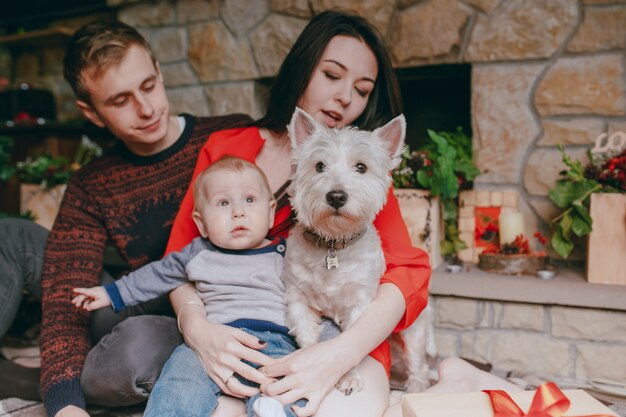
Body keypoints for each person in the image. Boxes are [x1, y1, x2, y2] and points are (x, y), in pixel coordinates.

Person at [164, 10, 431, 417]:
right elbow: (178, 258)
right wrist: (197, 329)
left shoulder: (363, 176)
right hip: (236, 326)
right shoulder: (225, 148)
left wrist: (339, 354)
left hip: (342, 334)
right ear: (302, 67)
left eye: (361, 90)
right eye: (332, 75)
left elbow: (407, 274)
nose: (346, 97)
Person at [35, 20, 254, 417]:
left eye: (149, 85)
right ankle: (56, 381)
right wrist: (65, 406)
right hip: (142, 306)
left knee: (136, 351)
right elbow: (66, 294)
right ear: (92, 112)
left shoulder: (230, 136)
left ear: (159, 70)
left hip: (221, 314)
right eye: (120, 101)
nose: (147, 109)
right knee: (14, 238)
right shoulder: (92, 183)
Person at [71, 156, 303, 417]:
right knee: (179, 380)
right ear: (201, 222)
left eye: (249, 200)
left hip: (273, 342)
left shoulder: (285, 255)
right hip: (207, 343)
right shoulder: (197, 254)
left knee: (289, 387)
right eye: (223, 203)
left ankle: (272, 409)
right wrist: (111, 293)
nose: (238, 211)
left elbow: (316, 302)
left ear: (271, 212)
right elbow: (156, 275)